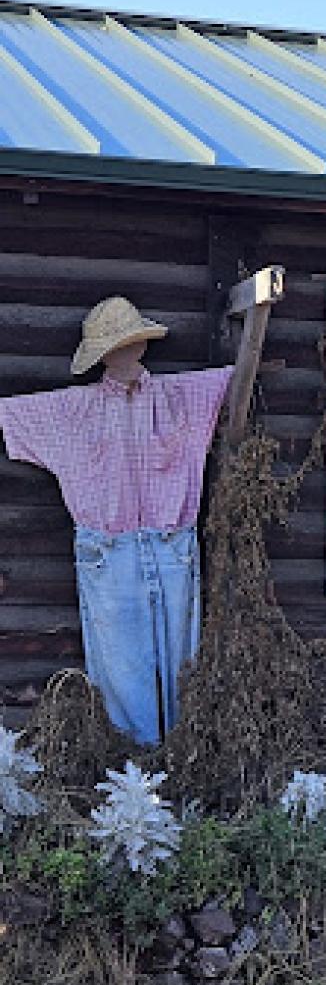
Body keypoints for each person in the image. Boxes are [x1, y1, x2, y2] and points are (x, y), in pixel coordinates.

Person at [0, 296, 233, 745]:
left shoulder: (183, 397)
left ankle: (183, 765)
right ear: (102, 355)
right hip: (106, 550)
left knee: (184, 661)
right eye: (116, 347)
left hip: (172, 542)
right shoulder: (68, 410)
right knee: (121, 668)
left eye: (131, 344)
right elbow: (11, 417)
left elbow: (237, 378)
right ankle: (138, 774)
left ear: (143, 345)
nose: (124, 354)